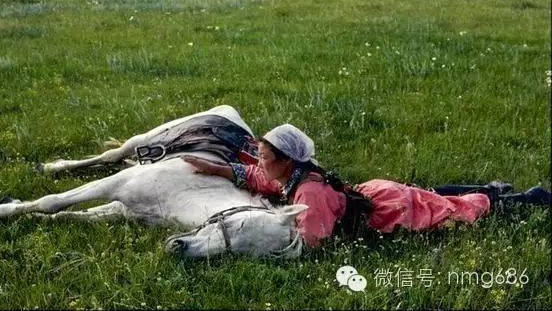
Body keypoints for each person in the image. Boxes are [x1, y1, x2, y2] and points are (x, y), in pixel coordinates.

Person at [182, 124, 551, 248]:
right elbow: (257, 178)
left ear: (285, 161)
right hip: (374, 192)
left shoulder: (308, 194)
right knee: (433, 195)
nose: (258, 161)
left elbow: (313, 243)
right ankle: (493, 189)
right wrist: (215, 169)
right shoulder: (293, 176)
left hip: (385, 210)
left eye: (263, 155)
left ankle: (523, 199)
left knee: (451, 210)